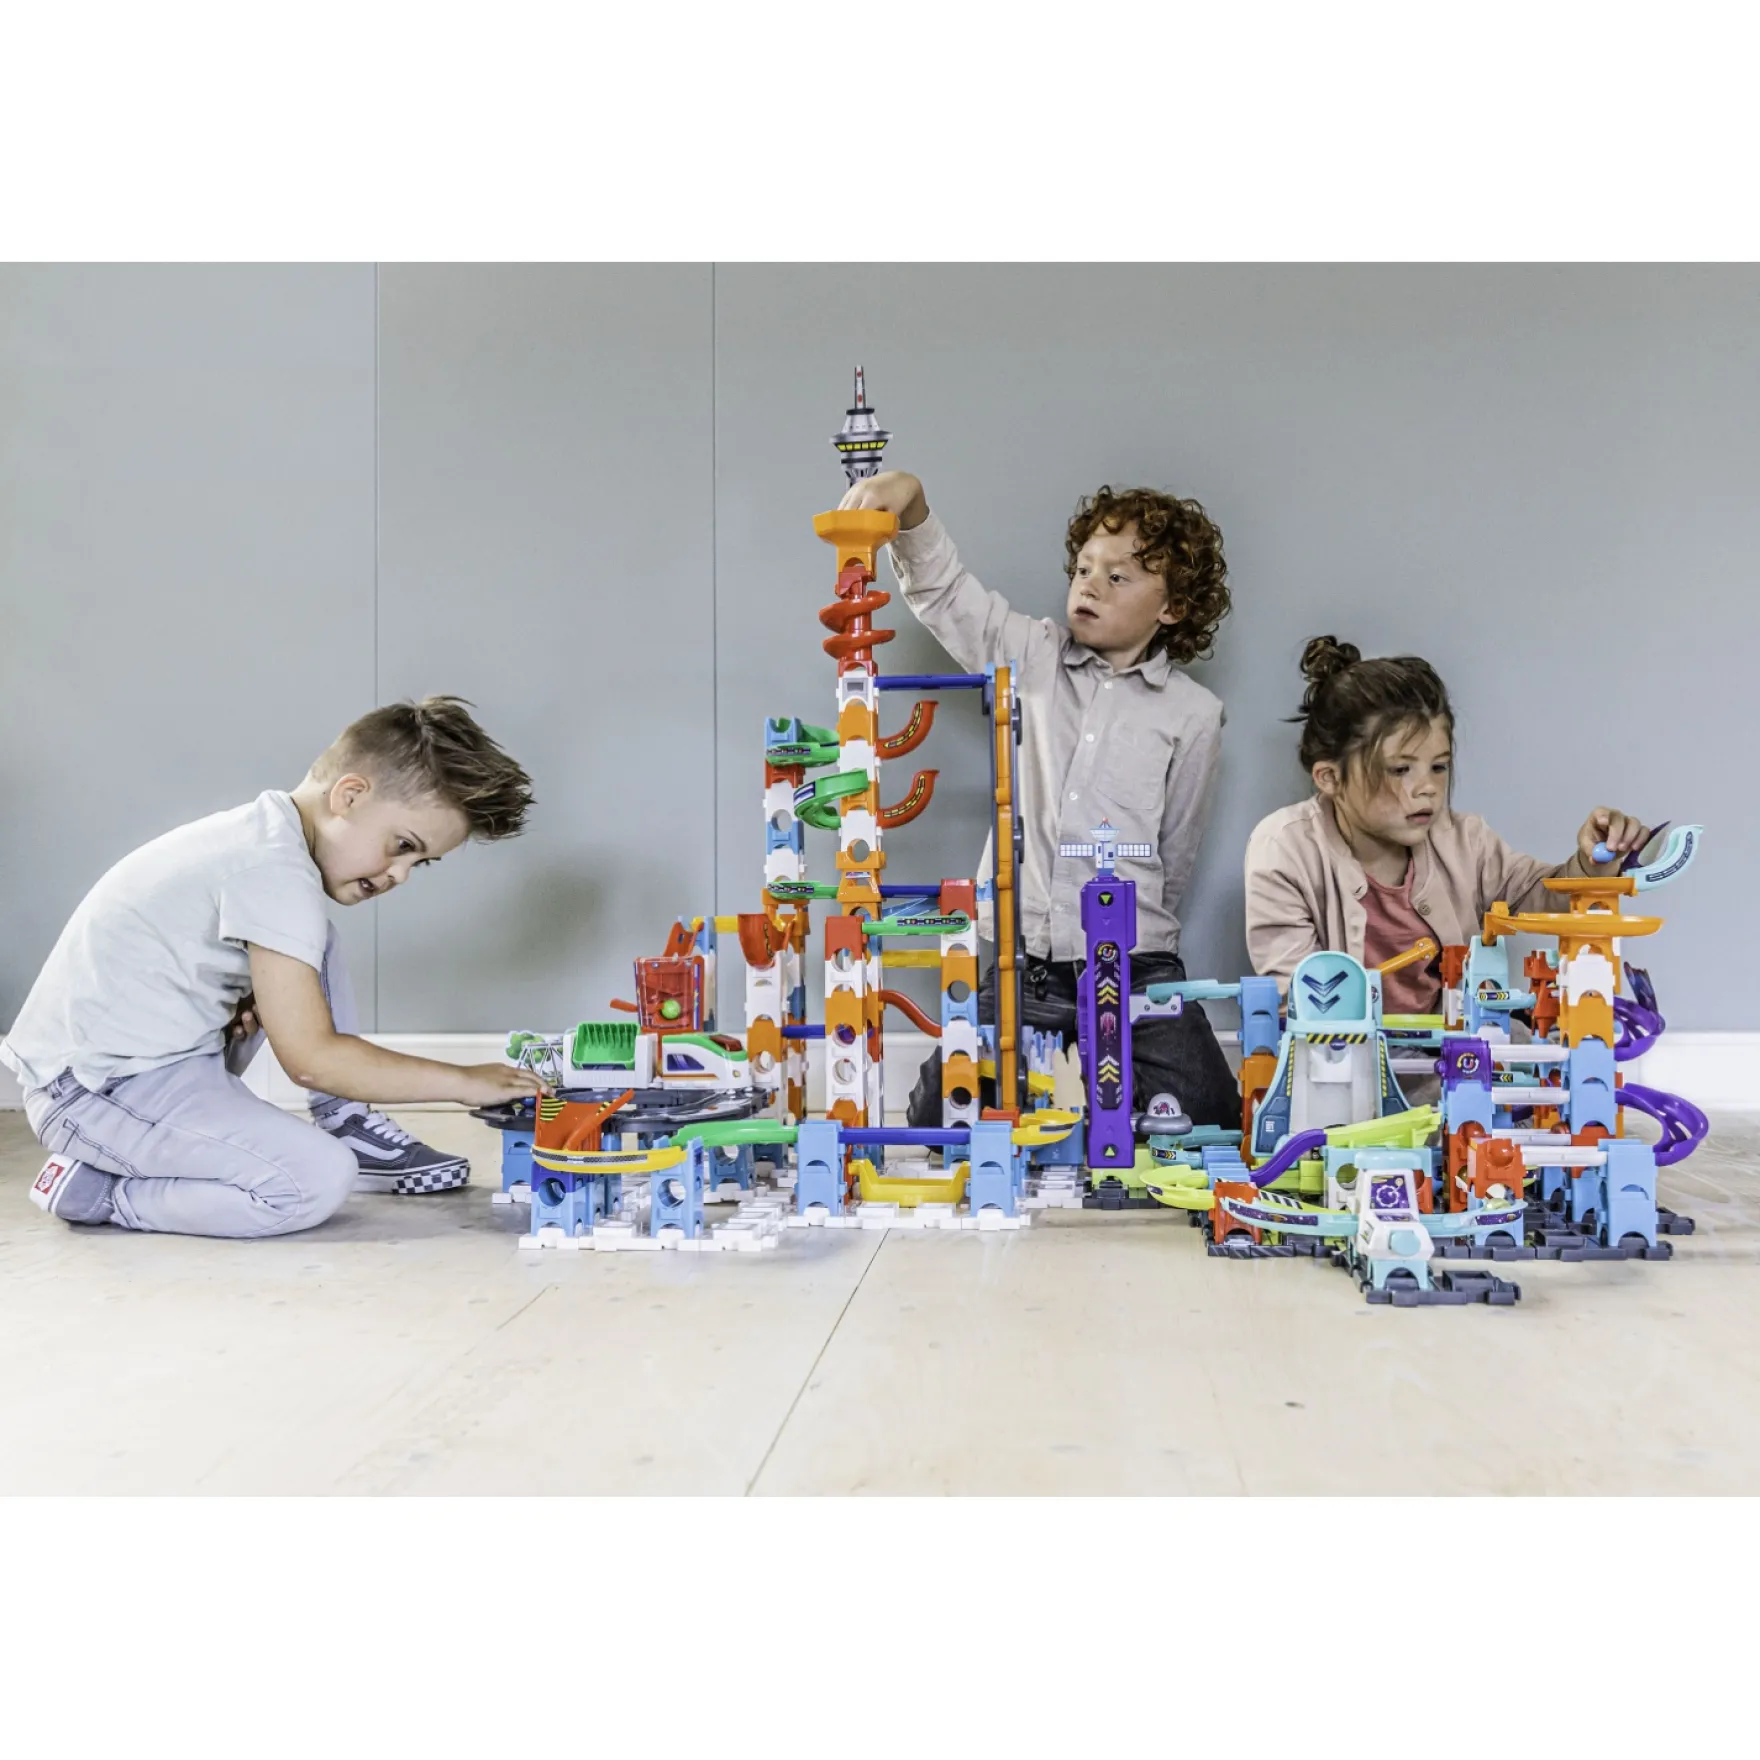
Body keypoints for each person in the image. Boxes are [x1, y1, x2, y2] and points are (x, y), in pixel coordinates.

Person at [6, 697, 546, 1237]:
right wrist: (463, 1080)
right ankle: (98, 1191)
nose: (400, 874)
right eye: (402, 845)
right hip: (93, 1093)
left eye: (418, 862)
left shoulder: (266, 838)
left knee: (317, 942)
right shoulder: (272, 872)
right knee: (312, 1180)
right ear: (350, 795)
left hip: (144, 1069)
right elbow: (311, 1061)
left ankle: (345, 1119)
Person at [836, 469, 1241, 1128]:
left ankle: (1110, 1109)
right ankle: (1052, 1102)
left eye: (1118, 576)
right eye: (1084, 568)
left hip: (1136, 965)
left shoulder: (1193, 713)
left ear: (1171, 608)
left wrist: (1140, 941)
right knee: (942, 1116)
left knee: (1209, 1111)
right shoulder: (1031, 653)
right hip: (1024, 966)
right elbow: (945, 593)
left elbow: (1176, 852)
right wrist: (911, 502)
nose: (1090, 584)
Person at [1244, 636, 1650, 1012]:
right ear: (1330, 778)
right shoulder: (1284, 848)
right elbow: (1295, 997)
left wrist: (1593, 862)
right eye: (1400, 769)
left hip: (1458, 1055)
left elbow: (1544, 897)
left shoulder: (1465, 841)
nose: (1428, 788)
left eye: (1439, 767)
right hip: (1341, 1059)